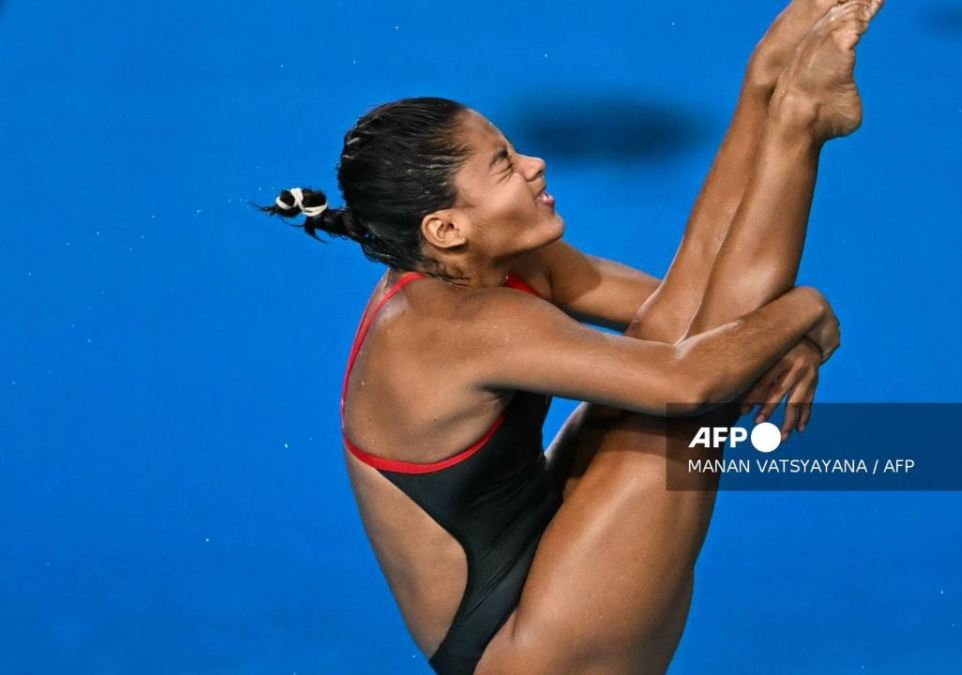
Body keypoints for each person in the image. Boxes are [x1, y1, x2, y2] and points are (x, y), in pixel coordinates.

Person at [257, 1, 880, 672]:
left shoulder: (496, 262)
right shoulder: (459, 327)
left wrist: (756, 96)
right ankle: (798, 126)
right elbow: (692, 379)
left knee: (677, 353)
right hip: (522, 649)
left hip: (543, 567)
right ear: (445, 229)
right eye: (503, 165)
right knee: (684, 412)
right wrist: (805, 309)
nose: (536, 164)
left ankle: (770, 89)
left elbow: (686, 312)